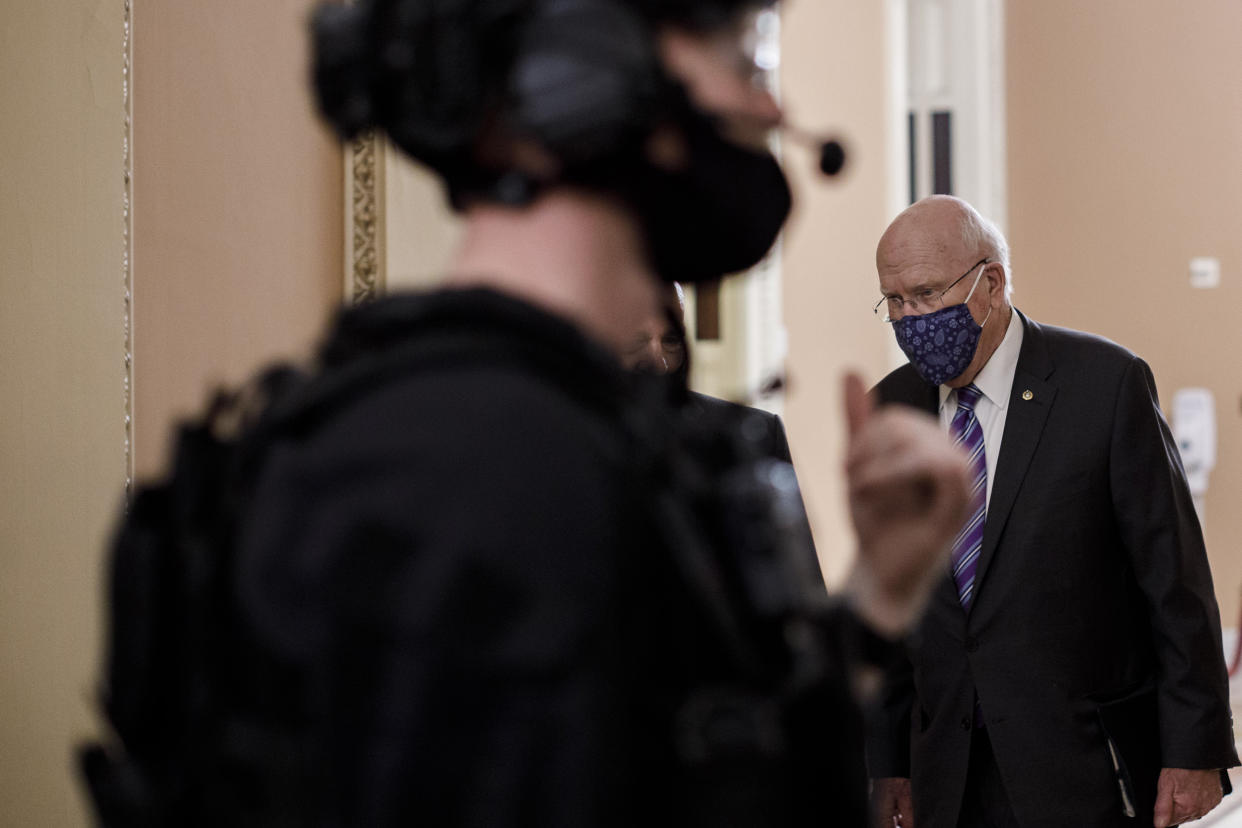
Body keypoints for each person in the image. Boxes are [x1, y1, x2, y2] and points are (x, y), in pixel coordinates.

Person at [83, 2, 972, 826]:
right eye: (744, 60)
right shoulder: (496, 475)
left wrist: (876, 599)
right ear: (595, 78)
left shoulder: (563, 436)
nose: (769, 111)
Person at [865, 195, 1239, 828]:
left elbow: (1173, 579)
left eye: (926, 294)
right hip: (946, 772)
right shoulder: (891, 410)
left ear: (990, 283)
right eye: (894, 301)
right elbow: (892, 602)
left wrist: (1194, 751)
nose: (910, 318)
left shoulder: (1104, 384)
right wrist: (889, 763)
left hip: (1083, 763)